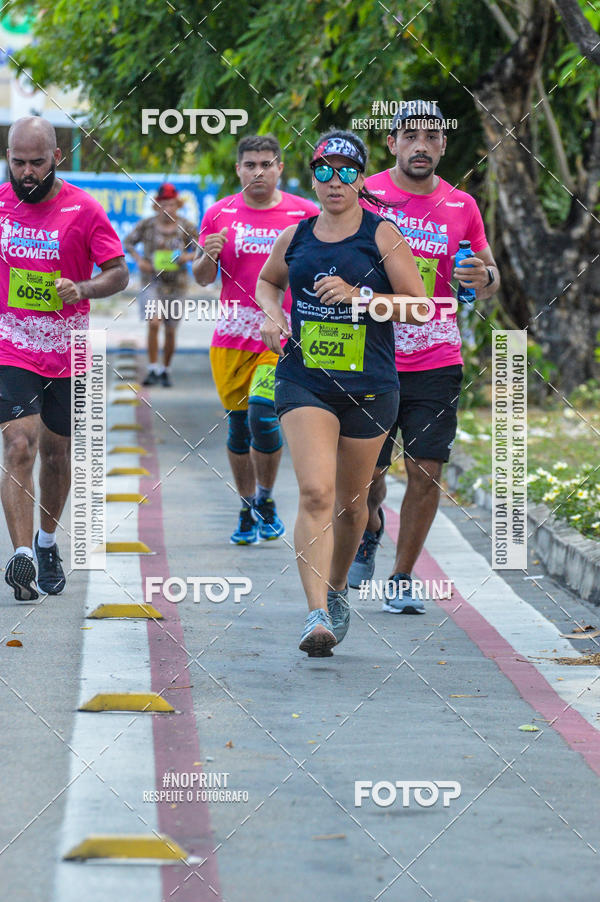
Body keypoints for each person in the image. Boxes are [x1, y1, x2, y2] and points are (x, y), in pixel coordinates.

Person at [256, 130, 428, 656]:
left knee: (353, 508)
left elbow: (419, 306)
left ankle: (334, 593)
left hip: (370, 387)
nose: (335, 182)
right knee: (315, 493)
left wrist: (363, 297)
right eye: (325, 171)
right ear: (312, 176)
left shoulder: (382, 235)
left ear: (360, 177)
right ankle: (313, 615)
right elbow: (268, 282)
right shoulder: (297, 236)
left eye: (347, 171)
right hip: (304, 378)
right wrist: (271, 315)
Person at [349, 100, 501, 613]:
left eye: (432, 137)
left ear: (442, 144)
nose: (422, 145)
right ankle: (370, 529)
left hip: (437, 357)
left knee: (426, 469)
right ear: (391, 143)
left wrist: (485, 277)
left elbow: (487, 271)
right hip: (372, 355)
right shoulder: (365, 194)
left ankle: (401, 576)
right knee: (365, 475)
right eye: (410, 136)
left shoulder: (462, 205)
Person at [0, 116, 128, 600]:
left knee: (56, 454)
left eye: (36, 162)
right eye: (17, 162)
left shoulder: (84, 209)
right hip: (9, 344)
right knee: (18, 444)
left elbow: (118, 273)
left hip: (67, 348)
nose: (27, 173)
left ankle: (47, 541)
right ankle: (21, 557)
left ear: (56, 157)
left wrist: (84, 287)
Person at [193, 135, 319, 545]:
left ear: (280, 168)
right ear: (238, 169)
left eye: (267, 164)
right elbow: (201, 277)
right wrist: (206, 255)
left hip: (282, 332)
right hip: (231, 338)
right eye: (250, 165)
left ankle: (265, 498)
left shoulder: (305, 212)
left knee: (262, 415)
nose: (258, 172)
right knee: (237, 431)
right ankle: (250, 506)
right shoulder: (219, 213)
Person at [124, 182, 197, 387]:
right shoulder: (147, 225)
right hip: (152, 282)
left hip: (177, 285)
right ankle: (153, 367)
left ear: (178, 205)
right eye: (164, 204)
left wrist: (186, 257)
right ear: (157, 206)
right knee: (154, 322)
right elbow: (128, 242)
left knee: (171, 329)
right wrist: (140, 261)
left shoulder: (187, 227)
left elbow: (200, 250)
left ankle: (166, 369)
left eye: (172, 204)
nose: (168, 209)